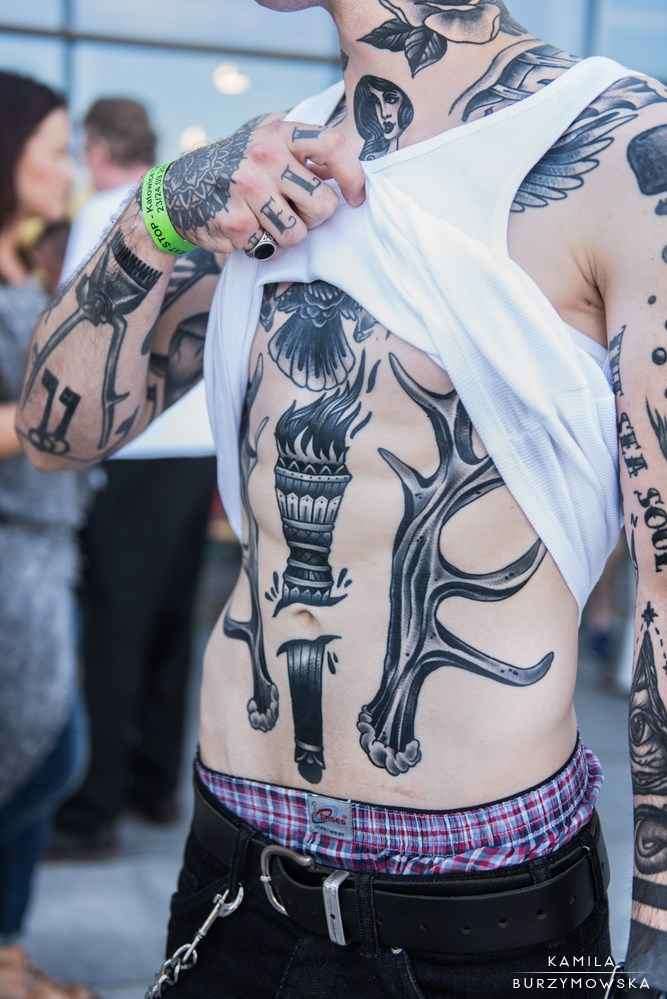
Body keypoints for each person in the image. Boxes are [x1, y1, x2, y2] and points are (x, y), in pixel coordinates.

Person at [16, 2, 667, 994]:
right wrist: (158, 209)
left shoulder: (618, 147)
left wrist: (658, 934)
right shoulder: (268, 166)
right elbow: (56, 435)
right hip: (231, 870)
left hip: (479, 906)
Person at [52, 98, 217, 858]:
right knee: (171, 623)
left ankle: (94, 810)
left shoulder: (106, 213)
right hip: (194, 442)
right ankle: (156, 788)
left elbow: (79, 332)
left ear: (95, 147)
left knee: (113, 629)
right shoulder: (187, 205)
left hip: (130, 446)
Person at [0, 70, 95, 999]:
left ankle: (7, 950)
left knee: (38, 756)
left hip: (44, 540)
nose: (69, 168)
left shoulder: (26, 265)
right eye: (55, 149)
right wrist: (60, 415)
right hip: (10, 544)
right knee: (43, 756)